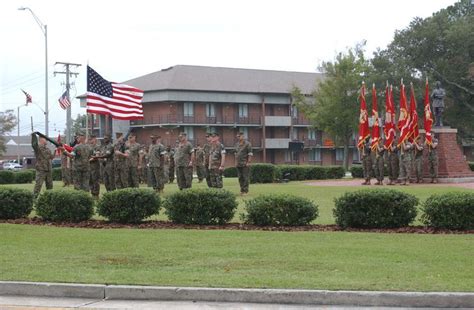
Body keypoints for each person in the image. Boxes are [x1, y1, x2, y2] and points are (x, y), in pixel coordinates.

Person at [31, 132, 55, 198]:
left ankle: (50, 199)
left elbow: (51, 157)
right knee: (38, 186)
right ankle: (34, 199)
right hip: (41, 169)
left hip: (48, 169)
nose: (46, 140)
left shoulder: (48, 149)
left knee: (50, 186)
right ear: (41, 139)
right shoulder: (38, 148)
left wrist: (55, 151)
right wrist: (33, 136)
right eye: (45, 139)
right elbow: (34, 144)